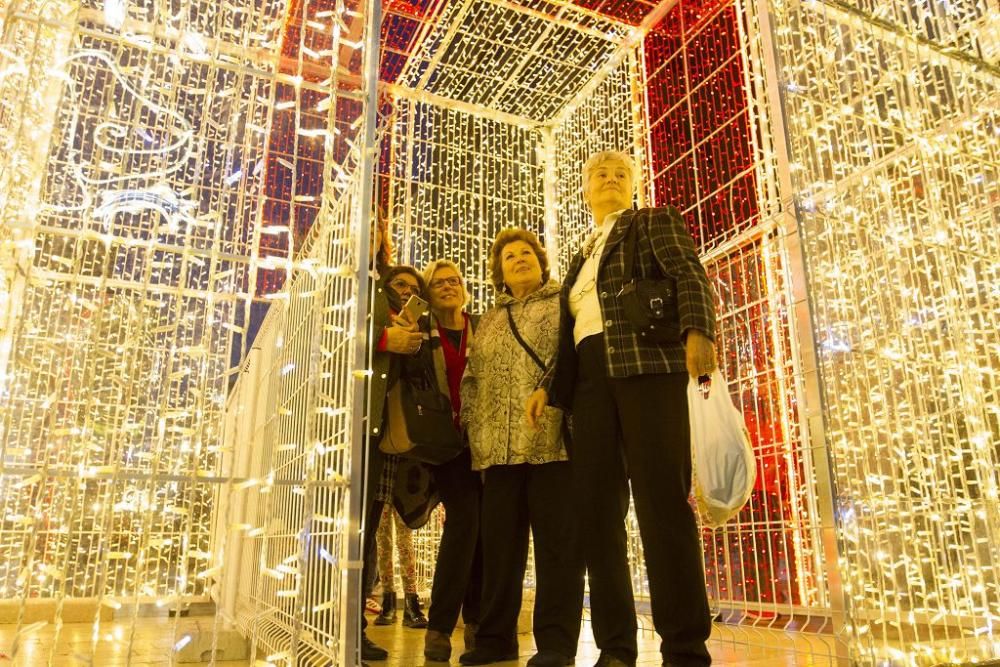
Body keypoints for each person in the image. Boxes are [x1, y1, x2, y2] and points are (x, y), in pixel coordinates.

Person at [527, 151, 718, 667]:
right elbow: (574, 330)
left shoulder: (652, 221)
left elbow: (688, 272)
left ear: (633, 186)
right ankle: (615, 647)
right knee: (597, 515)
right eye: (599, 175)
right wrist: (550, 386)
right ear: (585, 190)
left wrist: (698, 329)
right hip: (589, 386)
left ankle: (684, 646)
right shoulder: (580, 253)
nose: (610, 180)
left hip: (648, 369)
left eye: (620, 175)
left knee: (662, 505)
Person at [458, 230, 583, 667]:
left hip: (552, 447)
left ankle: (555, 645)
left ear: (541, 261)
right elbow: (471, 378)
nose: (519, 259)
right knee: (499, 551)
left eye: (526, 253)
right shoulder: (489, 320)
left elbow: (571, 358)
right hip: (499, 451)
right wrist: (474, 430)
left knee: (558, 550)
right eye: (509, 256)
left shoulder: (563, 303)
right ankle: (495, 640)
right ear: (499, 272)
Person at [359, 255, 428, 662]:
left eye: (413, 289)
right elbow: (334, 335)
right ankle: (336, 621)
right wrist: (385, 339)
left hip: (392, 442)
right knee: (347, 532)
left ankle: (356, 626)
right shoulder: (366, 299)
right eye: (400, 285)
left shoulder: (418, 324)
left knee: (368, 533)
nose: (407, 292)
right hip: (355, 429)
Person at [416, 259, 484, 663]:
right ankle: (441, 626)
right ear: (428, 292)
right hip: (444, 443)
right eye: (438, 282)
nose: (447, 286)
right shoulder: (423, 331)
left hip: (486, 441)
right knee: (465, 521)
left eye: (454, 280)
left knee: (482, 528)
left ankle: (475, 623)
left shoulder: (483, 326)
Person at [373, 502, 428, 628]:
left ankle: (410, 606)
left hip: (402, 489)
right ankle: (389, 605)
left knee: (405, 542)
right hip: (382, 489)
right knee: (383, 544)